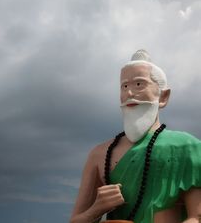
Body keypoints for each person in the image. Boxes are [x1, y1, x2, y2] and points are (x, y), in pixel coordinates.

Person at [70, 49, 201, 223]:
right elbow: (76, 220)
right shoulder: (99, 154)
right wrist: (97, 208)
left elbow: (196, 216)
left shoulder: (187, 147)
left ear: (163, 96)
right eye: (125, 86)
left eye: (139, 84)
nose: (129, 93)